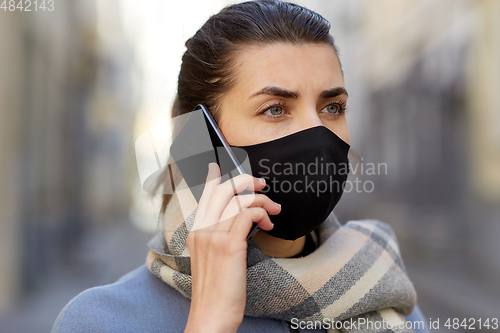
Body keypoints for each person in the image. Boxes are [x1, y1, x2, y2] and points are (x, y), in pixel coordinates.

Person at [52, 1, 431, 332]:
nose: (317, 135)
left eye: (332, 107)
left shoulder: (389, 303)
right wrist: (209, 323)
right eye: (275, 109)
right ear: (200, 141)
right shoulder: (101, 322)